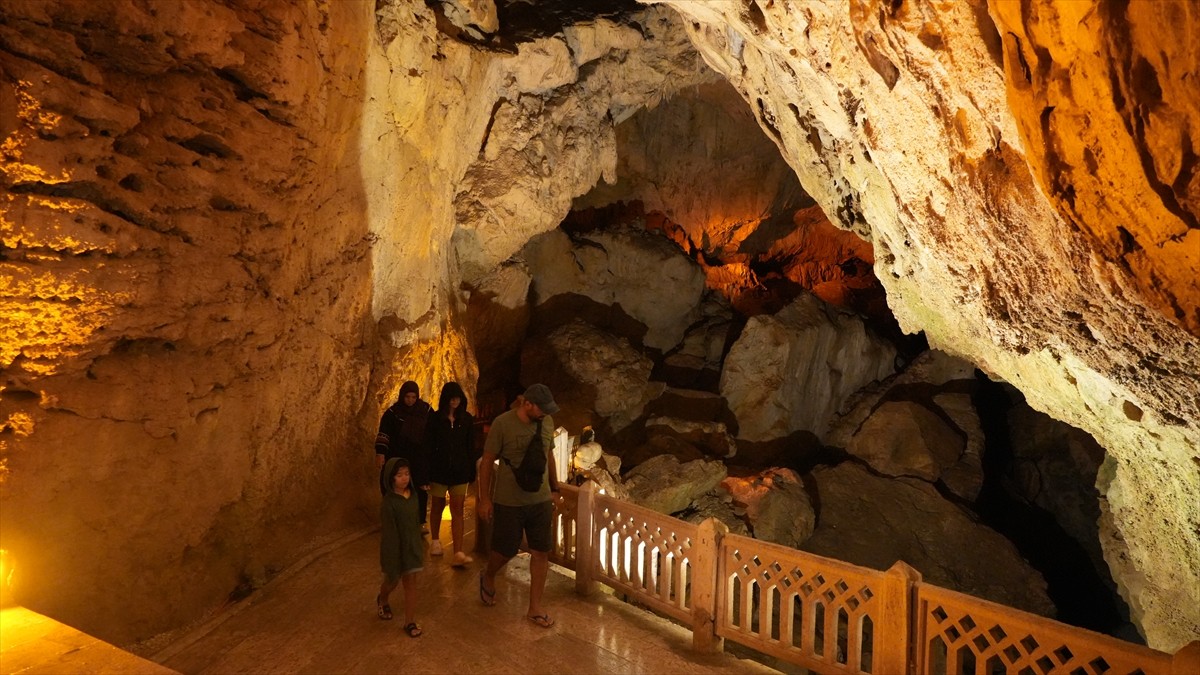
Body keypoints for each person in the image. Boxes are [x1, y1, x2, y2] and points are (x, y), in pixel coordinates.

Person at [476, 383, 563, 628]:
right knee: (504, 551)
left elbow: (548, 455)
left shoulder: (546, 423)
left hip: (540, 499)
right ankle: (489, 574)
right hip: (509, 500)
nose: (546, 413)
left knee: (540, 552)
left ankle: (534, 608)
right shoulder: (502, 424)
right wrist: (484, 498)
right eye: (541, 408)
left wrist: (555, 488)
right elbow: (487, 463)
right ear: (527, 404)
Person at [424, 381, 476, 566]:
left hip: (460, 471)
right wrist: (426, 471)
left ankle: (458, 551)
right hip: (439, 470)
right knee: (437, 505)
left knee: (458, 509)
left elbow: (470, 446)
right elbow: (428, 445)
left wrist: (471, 470)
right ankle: (436, 541)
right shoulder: (435, 419)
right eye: (452, 398)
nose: (455, 401)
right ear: (446, 399)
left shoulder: (467, 420)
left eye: (458, 398)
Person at [377, 457, 424, 637]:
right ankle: (382, 598)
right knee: (392, 581)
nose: (404, 478)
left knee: (411, 584)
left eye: (406, 474)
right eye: (399, 475)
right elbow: (390, 534)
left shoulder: (412, 497)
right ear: (390, 478)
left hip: (412, 548)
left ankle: (409, 621)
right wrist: (393, 557)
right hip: (396, 551)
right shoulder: (389, 504)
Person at [376, 381, 432, 532]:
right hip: (398, 457)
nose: (410, 400)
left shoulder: (425, 410)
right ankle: (396, 522)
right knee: (397, 488)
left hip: (419, 458)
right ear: (402, 396)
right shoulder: (393, 414)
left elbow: (433, 433)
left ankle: (420, 522)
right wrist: (381, 453)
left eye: (414, 397)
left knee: (420, 490)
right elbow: (384, 434)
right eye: (407, 397)